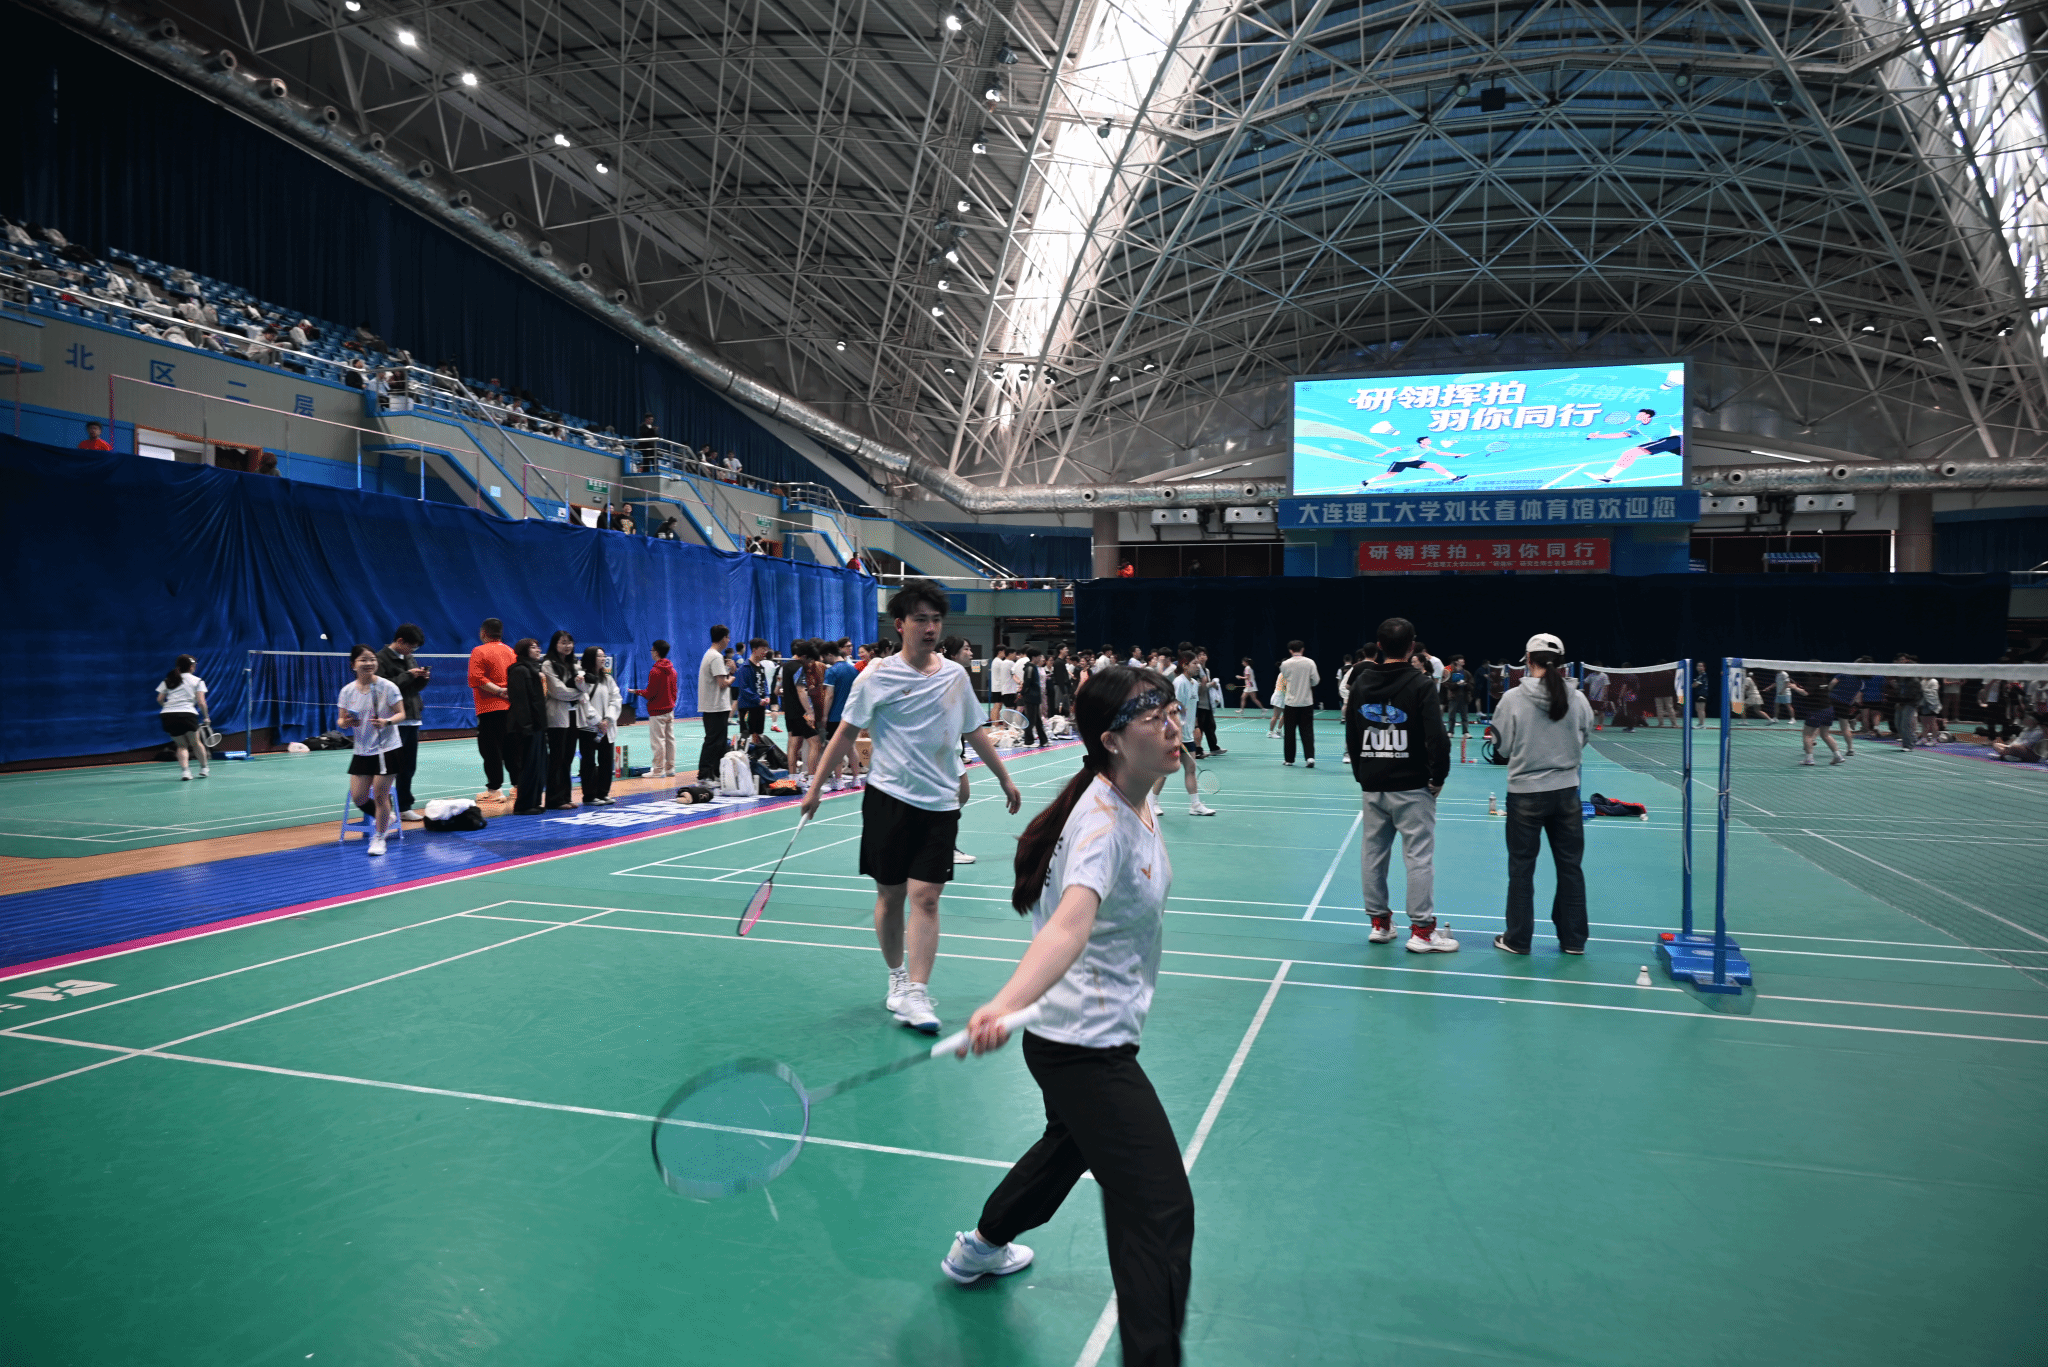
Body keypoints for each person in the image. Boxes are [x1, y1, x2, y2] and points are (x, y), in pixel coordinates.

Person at [939, 666, 1195, 1367]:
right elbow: (1067, 926)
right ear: (1112, 740)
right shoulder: (1101, 826)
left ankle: (980, 1247)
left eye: (1173, 711)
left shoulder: (1135, 788)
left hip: (1080, 1031)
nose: (1174, 726)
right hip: (1084, 1046)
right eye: (1156, 718)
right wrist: (1005, 1002)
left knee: (1068, 1146)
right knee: (1158, 1208)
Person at [798, 580, 1023, 1034]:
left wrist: (1004, 777)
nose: (930, 628)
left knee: (927, 897)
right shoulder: (876, 676)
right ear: (900, 625)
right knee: (891, 896)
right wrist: (816, 787)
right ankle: (897, 976)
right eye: (921, 619)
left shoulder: (955, 676)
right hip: (888, 798)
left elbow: (974, 730)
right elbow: (845, 732)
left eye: (936, 620)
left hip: (940, 802)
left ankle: (917, 992)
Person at [1346, 618, 1456, 952]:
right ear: (1411, 647)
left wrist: (1362, 774)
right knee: (1418, 856)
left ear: (1379, 646)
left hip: (1373, 784)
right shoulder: (1420, 684)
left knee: (1373, 854)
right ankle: (1422, 931)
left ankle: (1380, 925)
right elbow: (1437, 737)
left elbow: (1351, 732)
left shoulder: (1361, 682)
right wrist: (1438, 777)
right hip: (1411, 786)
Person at [1490, 633, 1594, 956]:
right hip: (1567, 793)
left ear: (1528, 660)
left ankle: (1518, 939)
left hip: (1525, 794)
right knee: (1570, 867)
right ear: (1561, 664)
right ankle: (1574, 940)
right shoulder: (1578, 699)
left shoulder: (1512, 699)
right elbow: (1585, 737)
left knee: (1521, 869)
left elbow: (1502, 748)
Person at [337, 644, 406, 855]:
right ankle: (386, 817)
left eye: (372, 659)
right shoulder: (347, 691)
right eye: (363, 660)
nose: (369, 663)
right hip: (362, 750)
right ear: (353, 665)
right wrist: (347, 722)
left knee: (380, 796)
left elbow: (401, 714)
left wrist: (387, 721)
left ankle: (379, 838)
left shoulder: (388, 687)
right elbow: (341, 721)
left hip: (387, 749)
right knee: (358, 797)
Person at [375, 625, 431, 822]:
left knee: (408, 767)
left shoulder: (408, 658)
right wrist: (409, 675)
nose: (412, 651)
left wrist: (422, 678)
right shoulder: (380, 659)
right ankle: (386, 808)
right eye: (411, 647)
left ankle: (404, 807)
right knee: (390, 768)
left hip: (412, 718)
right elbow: (383, 687)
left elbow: (413, 687)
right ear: (400, 641)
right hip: (393, 721)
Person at [467, 618, 516, 803]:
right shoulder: (510, 651)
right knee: (512, 749)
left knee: (491, 751)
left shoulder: (479, 651)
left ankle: (494, 790)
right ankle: (518, 787)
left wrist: (499, 691)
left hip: (489, 709)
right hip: (510, 709)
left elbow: (476, 678)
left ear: (483, 633)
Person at [1168, 654, 1219, 816]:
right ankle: (1152, 802)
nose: (1198, 666)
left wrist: (1195, 726)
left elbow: (1192, 707)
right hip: (1176, 734)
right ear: (1185, 665)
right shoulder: (1179, 682)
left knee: (1191, 768)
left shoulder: (1194, 683)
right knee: (1164, 771)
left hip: (1188, 734)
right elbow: (1174, 708)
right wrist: (1177, 732)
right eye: (1194, 663)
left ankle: (1195, 805)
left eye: (1198, 663)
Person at [504, 638, 549, 814]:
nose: (538, 650)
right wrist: (527, 727)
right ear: (524, 650)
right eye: (533, 647)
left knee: (538, 767)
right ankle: (524, 805)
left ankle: (534, 802)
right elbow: (520, 701)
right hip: (525, 728)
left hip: (537, 726)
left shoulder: (535, 670)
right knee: (528, 767)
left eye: (538, 647)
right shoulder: (519, 670)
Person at [542, 630, 585, 809]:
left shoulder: (575, 664)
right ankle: (554, 799)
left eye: (569, 642)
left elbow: (586, 686)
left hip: (573, 715)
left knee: (568, 757)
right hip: (556, 717)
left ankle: (566, 797)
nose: (567, 646)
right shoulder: (548, 664)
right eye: (563, 642)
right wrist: (579, 693)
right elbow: (558, 691)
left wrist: (581, 691)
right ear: (555, 644)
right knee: (557, 758)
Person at [1584, 408, 1682, 484]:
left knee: (1630, 453)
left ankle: (1607, 477)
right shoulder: (1638, 427)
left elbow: (1683, 418)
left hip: (1676, 439)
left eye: (1640, 414)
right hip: (1671, 445)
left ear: (1647, 415)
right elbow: (1621, 434)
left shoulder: (1661, 419)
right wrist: (1598, 436)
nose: (1637, 415)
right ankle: (1607, 478)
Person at [156, 654, 211, 780]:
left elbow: (159, 699)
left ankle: (185, 772)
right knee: (196, 743)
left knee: (181, 745)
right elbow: (201, 702)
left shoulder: (168, 680)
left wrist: (169, 707)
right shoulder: (198, 681)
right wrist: (206, 717)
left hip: (168, 715)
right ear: (192, 667)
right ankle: (204, 768)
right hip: (187, 714)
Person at [578, 648, 621, 804]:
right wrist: (597, 721)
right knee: (588, 762)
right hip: (588, 728)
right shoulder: (582, 678)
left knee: (606, 761)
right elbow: (583, 700)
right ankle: (589, 796)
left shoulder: (607, 679)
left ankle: (603, 793)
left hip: (606, 729)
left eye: (604, 656)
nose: (603, 658)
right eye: (599, 656)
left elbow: (616, 699)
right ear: (591, 658)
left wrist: (608, 719)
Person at [632, 639, 678, 779]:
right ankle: (670, 768)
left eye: (652, 650)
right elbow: (674, 691)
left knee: (658, 741)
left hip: (657, 712)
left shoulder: (655, 671)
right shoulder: (672, 670)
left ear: (656, 652)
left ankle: (658, 770)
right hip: (669, 710)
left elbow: (650, 693)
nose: (651, 653)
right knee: (670, 740)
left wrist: (637, 692)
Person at [695, 626, 735, 782]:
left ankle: (716, 774)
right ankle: (704, 774)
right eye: (728, 637)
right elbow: (722, 683)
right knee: (713, 742)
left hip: (714, 706)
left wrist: (729, 671)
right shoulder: (716, 657)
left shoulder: (711, 655)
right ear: (724, 638)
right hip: (716, 706)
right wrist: (733, 676)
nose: (729, 640)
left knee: (719, 743)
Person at [820, 641, 861, 790]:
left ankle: (839, 780)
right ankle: (856, 779)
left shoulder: (831, 671)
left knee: (836, 748)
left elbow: (829, 696)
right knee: (851, 747)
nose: (824, 660)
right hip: (852, 716)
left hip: (836, 716)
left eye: (825, 657)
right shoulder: (853, 670)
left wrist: (825, 716)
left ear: (830, 654)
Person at [1277, 640, 1320, 767]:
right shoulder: (1310, 662)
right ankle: (1310, 758)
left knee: (1289, 732)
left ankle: (1289, 759)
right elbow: (1316, 681)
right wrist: (1307, 684)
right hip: (1306, 702)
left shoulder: (1285, 664)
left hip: (1291, 703)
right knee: (1307, 731)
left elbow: (1285, 678)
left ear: (1290, 650)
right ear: (1302, 649)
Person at [1365, 435, 1467, 486]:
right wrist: (1382, 454)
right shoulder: (1413, 446)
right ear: (1422, 441)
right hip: (1401, 462)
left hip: (1414, 462)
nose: (1430, 441)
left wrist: (1457, 454)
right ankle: (1367, 481)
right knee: (1388, 475)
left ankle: (1455, 478)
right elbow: (1396, 448)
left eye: (1429, 440)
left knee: (1435, 465)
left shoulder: (1429, 448)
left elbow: (1441, 453)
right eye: (1427, 439)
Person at [1790, 672, 1844, 766]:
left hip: (1817, 711)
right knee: (1825, 735)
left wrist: (1794, 687)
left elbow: (1806, 693)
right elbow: (1814, 691)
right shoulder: (1823, 679)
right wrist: (1800, 687)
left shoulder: (1813, 679)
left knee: (1807, 735)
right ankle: (1838, 756)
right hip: (1829, 710)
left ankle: (1809, 759)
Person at [1018, 650, 1050, 748]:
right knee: (1030, 720)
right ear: (1034, 657)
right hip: (1030, 697)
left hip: (1035, 697)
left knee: (1038, 721)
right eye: (1039, 656)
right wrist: (1022, 693)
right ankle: (1028, 741)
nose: (1041, 659)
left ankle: (1044, 741)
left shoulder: (1034, 667)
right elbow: (1027, 683)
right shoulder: (1030, 668)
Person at [1444, 656, 1474, 735]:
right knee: (1451, 716)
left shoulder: (1467, 673)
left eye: (1463, 659)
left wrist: (1465, 684)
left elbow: (1472, 686)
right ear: (1456, 662)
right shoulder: (1451, 673)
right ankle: (1450, 732)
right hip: (1453, 698)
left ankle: (1465, 732)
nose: (1463, 660)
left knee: (1464, 717)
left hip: (1464, 698)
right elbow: (1447, 684)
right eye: (1461, 659)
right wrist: (1456, 684)